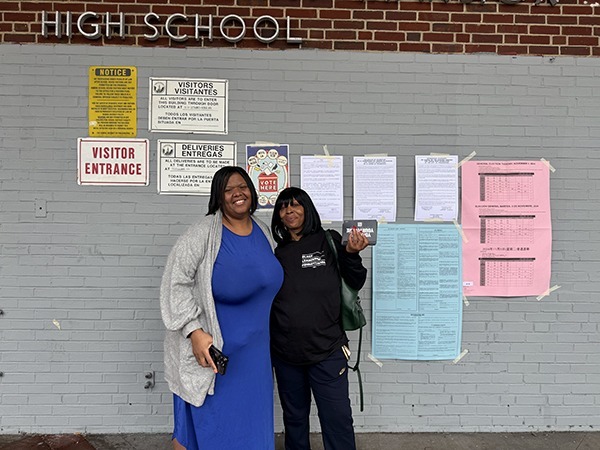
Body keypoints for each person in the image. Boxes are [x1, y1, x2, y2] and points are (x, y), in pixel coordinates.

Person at [160, 166, 283, 450]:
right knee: (210, 424)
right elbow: (174, 283)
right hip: (216, 354)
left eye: (242, 187)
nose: (237, 194)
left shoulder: (263, 231)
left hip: (255, 356)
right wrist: (194, 331)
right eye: (228, 190)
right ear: (219, 196)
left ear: (251, 191)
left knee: (252, 423)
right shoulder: (202, 234)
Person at [270, 187, 369, 450]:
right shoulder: (278, 253)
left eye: (295, 205)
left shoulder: (329, 241)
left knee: (336, 420)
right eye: (283, 207)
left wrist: (351, 254)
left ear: (307, 209)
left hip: (328, 350)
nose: (289, 211)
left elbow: (355, 280)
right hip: (286, 353)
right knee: (294, 420)